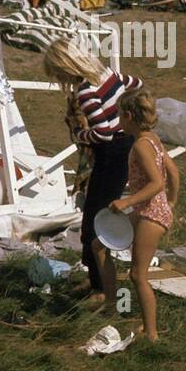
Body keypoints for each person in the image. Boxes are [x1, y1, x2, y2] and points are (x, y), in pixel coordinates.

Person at [43, 38, 142, 303]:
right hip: (126, 146)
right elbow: (137, 84)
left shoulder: (85, 92)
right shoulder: (108, 75)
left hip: (112, 154)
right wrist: (127, 112)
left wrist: (81, 135)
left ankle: (101, 291)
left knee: (94, 221)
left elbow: (104, 133)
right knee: (93, 214)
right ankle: (95, 277)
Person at [108, 90, 179, 342]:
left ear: (128, 116)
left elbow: (157, 182)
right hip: (150, 209)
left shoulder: (140, 145)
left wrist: (126, 200)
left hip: (149, 213)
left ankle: (151, 333)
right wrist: (171, 201)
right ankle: (112, 304)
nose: (118, 121)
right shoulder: (152, 139)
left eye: (119, 116)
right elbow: (172, 170)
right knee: (99, 244)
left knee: (139, 275)